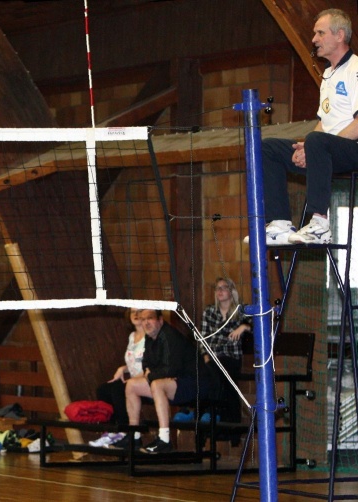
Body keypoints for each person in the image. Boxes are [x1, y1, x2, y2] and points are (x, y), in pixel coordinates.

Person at [254, 8, 358, 245]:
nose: (314, 39)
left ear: (340, 35)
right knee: (269, 147)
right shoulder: (328, 74)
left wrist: (315, 146)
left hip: (352, 150)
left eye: (320, 33)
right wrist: (305, 149)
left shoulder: (355, 69)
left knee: (315, 141)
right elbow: (323, 122)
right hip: (325, 151)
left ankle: (320, 224)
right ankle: (279, 223)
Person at [109, 309, 210, 454]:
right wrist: (153, 374)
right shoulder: (150, 337)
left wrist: (152, 375)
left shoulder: (169, 336)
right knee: (131, 385)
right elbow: (146, 364)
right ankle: (134, 435)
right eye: (143, 319)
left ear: (160, 320)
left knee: (157, 385)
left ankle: (164, 439)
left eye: (150, 318)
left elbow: (170, 369)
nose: (146, 323)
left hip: (195, 383)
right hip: (175, 382)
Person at [89, 308, 145, 447]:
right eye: (132, 312)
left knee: (118, 390)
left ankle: (125, 430)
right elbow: (134, 361)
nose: (135, 315)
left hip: (145, 380)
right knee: (103, 389)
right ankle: (111, 430)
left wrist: (134, 379)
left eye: (139, 312)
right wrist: (123, 368)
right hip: (133, 379)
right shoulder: (132, 336)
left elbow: (150, 364)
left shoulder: (149, 336)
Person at [199, 278, 250, 423]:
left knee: (221, 373)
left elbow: (258, 325)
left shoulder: (241, 311)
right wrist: (205, 355)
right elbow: (203, 338)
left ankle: (214, 414)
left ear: (231, 291)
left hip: (230, 356)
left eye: (224, 287)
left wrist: (244, 327)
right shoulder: (209, 312)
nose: (220, 291)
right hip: (212, 357)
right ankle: (209, 414)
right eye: (217, 288)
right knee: (207, 372)